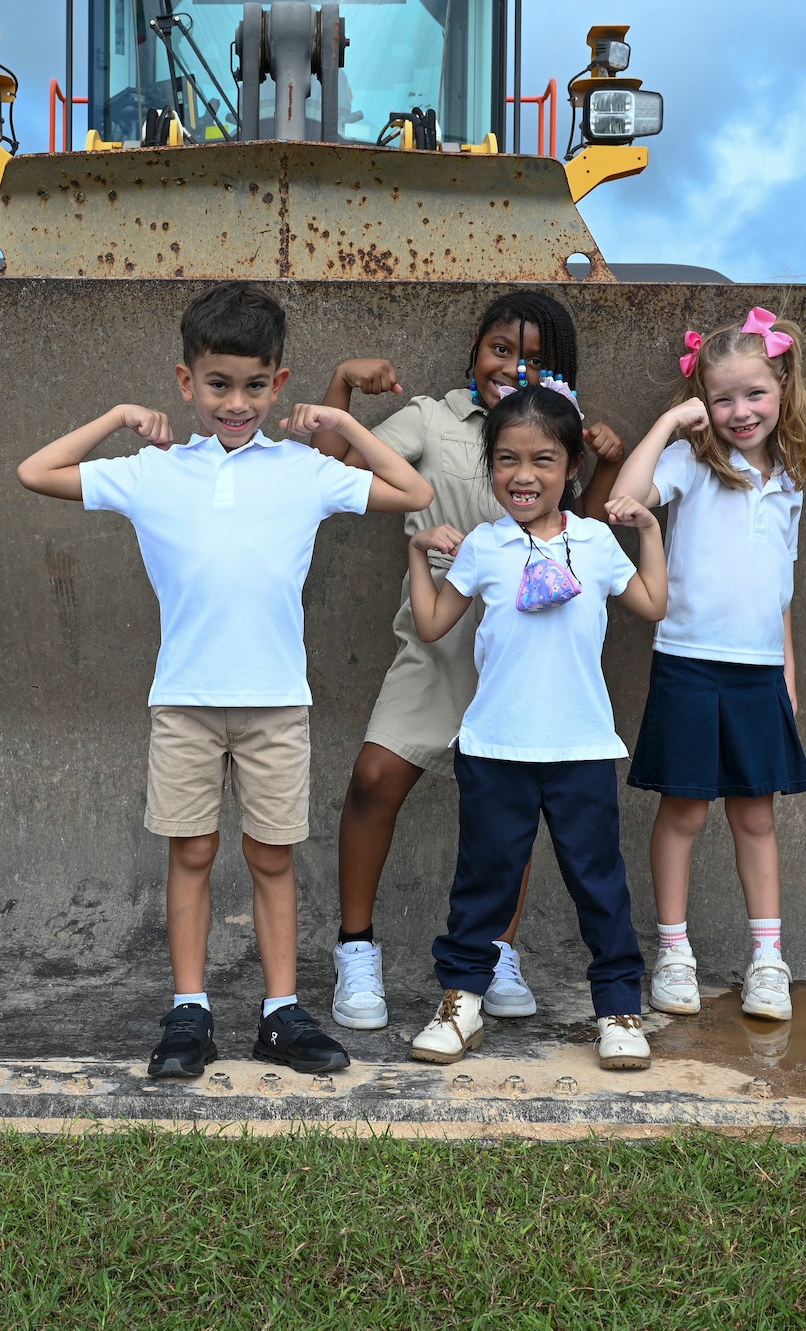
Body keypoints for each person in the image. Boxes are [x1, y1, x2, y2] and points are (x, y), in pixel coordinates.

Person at [16, 280, 434, 1079]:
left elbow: (413, 491)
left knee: (274, 857)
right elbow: (37, 471)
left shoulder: (304, 471)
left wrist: (344, 421)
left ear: (278, 385)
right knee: (194, 853)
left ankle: (281, 1012)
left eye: (252, 385)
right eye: (217, 384)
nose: (234, 402)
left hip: (279, 703)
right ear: (185, 382)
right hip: (185, 702)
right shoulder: (152, 471)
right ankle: (190, 1009)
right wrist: (114, 419)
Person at [309, 291, 626, 1030]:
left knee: (507, 817)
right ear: (475, 350)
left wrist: (606, 460)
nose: (514, 369)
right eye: (501, 349)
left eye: (537, 360)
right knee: (375, 777)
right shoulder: (432, 417)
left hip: (527, 656)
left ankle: (495, 950)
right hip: (439, 638)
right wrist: (343, 387)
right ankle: (356, 948)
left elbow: (587, 534)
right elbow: (329, 471)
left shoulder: (557, 432)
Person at [402, 383, 666, 1068]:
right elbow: (432, 626)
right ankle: (462, 1004)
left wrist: (651, 531)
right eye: (508, 459)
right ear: (490, 466)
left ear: (572, 466)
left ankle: (618, 1008)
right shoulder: (483, 547)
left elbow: (653, 604)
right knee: (483, 883)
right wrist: (416, 552)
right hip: (494, 749)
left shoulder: (598, 542)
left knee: (598, 882)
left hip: (580, 749)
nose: (524, 475)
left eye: (544, 460)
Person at [609, 308, 806, 1024]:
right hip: (690, 664)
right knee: (685, 809)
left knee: (756, 814)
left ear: (783, 387)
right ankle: (674, 951)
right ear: (703, 400)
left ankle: (768, 959)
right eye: (723, 397)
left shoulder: (790, 478)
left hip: (759, 673)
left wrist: (787, 674)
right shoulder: (692, 465)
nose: (740, 411)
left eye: (755, 393)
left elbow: (781, 589)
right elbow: (626, 501)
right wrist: (671, 425)